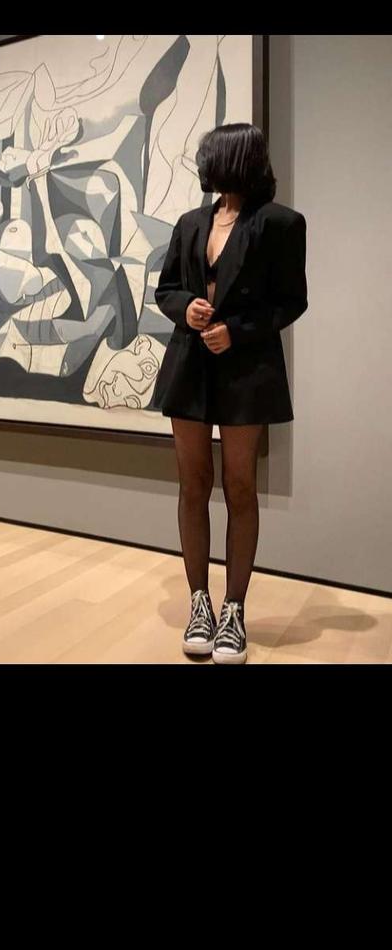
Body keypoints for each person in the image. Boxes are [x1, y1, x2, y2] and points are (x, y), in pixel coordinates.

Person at [153, 123, 308, 664]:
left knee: (240, 486)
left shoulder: (282, 223)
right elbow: (166, 290)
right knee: (192, 484)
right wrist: (187, 308)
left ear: (235, 159)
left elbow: (292, 301)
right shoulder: (190, 223)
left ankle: (234, 609)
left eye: (210, 156)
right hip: (190, 364)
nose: (203, 164)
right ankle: (200, 603)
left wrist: (236, 331)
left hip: (247, 368)